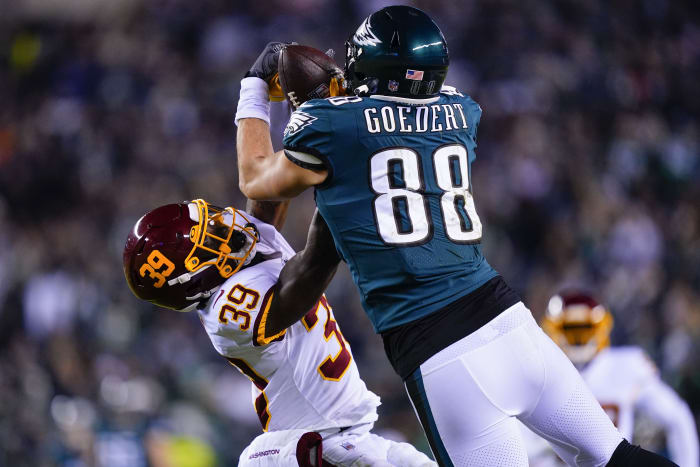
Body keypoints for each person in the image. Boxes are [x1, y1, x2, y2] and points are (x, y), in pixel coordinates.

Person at [235, 5, 677, 466]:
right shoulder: (461, 109)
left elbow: (256, 178)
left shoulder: (332, 126)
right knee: (617, 457)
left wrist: (254, 88)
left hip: (440, 351)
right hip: (510, 322)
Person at [122, 96, 436, 466]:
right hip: (306, 447)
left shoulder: (238, 260)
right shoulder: (228, 310)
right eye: (204, 242)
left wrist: (283, 103)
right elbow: (316, 263)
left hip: (346, 436)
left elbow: (270, 191)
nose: (220, 227)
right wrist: (344, 164)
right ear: (192, 281)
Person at [521, 290, 698, 466]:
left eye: (585, 328)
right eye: (569, 328)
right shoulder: (536, 371)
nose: (577, 337)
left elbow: (677, 417)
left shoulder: (627, 365)